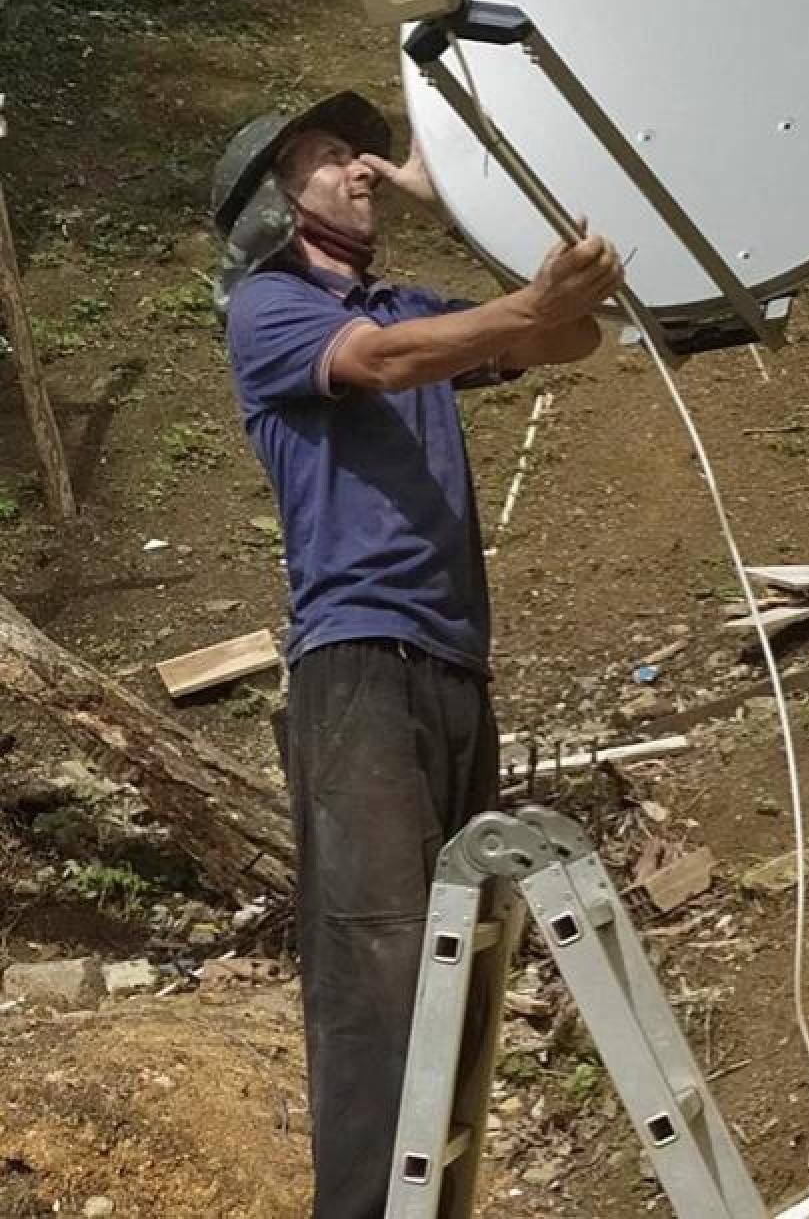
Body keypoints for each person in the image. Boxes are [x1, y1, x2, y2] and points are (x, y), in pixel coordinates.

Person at [210, 90, 623, 1219]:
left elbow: (567, 333)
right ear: (268, 205)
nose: (359, 168)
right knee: (377, 968)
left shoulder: (408, 298)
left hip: (449, 663)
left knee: (461, 961)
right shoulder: (270, 306)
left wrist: (470, 211)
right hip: (356, 666)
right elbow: (389, 362)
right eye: (329, 157)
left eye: (361, 153)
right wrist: (518, 300)